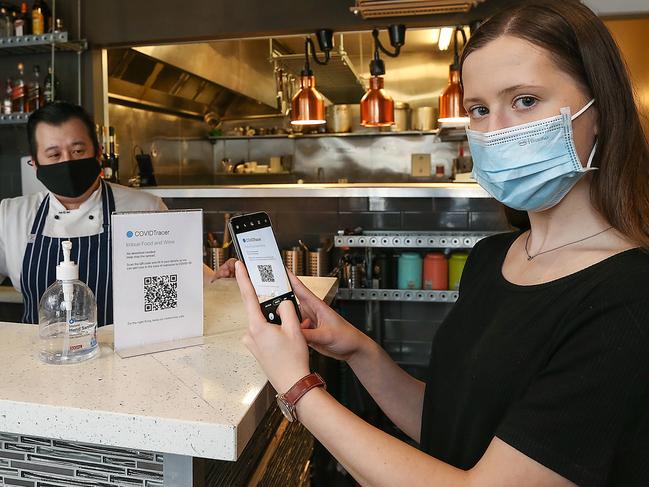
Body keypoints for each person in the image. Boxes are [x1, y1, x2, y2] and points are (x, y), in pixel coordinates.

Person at [234, 1, 649, 486]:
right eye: (478, 109)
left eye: (525, 101)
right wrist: (359, 351)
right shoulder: (493, 257)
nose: (496, 132)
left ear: (598, 108)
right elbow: (450, 425)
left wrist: (297, 386)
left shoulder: (628, 301)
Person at [0, 102, 230, 327]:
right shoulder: (10, 216)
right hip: (42, 358)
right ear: (35, 164)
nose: (67, 161)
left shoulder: (145, 208)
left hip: (126, 359)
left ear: (98, 154)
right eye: (54, 154)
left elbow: (187, 277)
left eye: (78, 150)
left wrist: (222, 280)